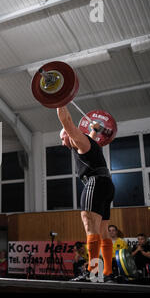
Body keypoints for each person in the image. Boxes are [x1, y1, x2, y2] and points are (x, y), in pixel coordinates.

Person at [57, 105, 115, 283]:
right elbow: (93, 134)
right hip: (107, 185)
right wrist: (95, 129)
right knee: (103, 231)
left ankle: (93, 272)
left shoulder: (79, 141)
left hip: (95, 183)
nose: (62, 142)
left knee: (90, 227)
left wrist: (60, 100)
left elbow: (66, 121)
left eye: (62, 137)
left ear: (69, 134)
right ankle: (107, 273)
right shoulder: (89, 143)